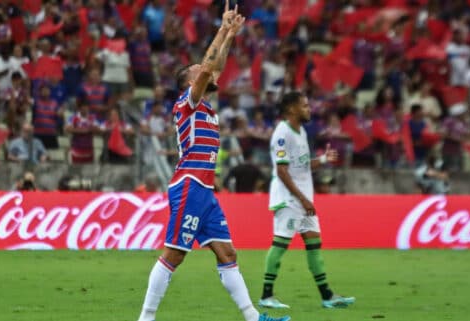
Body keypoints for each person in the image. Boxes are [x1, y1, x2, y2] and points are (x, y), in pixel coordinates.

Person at [136, 4, 290, 321]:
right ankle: (146, 318)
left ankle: (253, 317)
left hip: (205, 190)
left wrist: (230, 34)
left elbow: (213, 67)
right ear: (188, 83)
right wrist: (220, 30)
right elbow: (207, 69)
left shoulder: (204, 105)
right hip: (189, 184)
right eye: (196, 70)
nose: (206, 70)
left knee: (227, 253)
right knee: (175, 253)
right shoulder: (187, 104)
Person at [259, 91, 355, 309]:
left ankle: (327, 296)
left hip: (303, 199)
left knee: (314, 245)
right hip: (289, 199)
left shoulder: (300, 131)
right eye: (304, 105)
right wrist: (302, 200)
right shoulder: (282, 133)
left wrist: (321, 160)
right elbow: (282, 171)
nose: (309, 109)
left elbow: (300, 165)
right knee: (280, 243)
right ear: (292, 109)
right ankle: (266, 295)